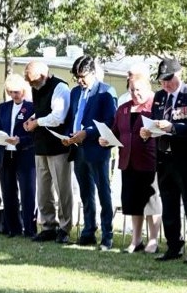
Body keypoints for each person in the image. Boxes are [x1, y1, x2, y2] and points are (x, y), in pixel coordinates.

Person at [142, 57, 187, 264]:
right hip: (165, 158)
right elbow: (154, 120)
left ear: (179, 74)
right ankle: (173, 245)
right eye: (162, 80)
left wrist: (174, 128)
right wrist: (148, 132)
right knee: (169, 204)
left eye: (169, 79)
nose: (165, 84)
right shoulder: (160, 96)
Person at [64, 56, 118, 249]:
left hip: (97, 148)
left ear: (93, 73)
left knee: (103, 192)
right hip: (78, 149)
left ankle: (107, 234)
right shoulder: (75, 92)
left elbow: (110, 121)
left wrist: (87, 133)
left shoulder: (106, 92)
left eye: (82, 76)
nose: (79, 80)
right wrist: (67, 136)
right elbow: (72, 118)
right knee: (86, 193)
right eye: (76, 77)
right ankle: (88, 231)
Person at [106, 73, 161, 253]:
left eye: (138, 90)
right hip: (127, 161)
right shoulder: (123, 108)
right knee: (133, 203)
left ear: (148, 88)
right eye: (132, 90)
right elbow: (116, 132)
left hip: (149, 161)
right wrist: (106, 140)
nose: (135, 93)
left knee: (151, 203)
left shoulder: (155, 107)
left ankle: (153, 240)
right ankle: (136, 240)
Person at [23, 60, 74, 244]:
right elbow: (41, 111)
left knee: (62, 189)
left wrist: (37, 122)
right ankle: (47, 226)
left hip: (58, 146)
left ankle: (64, 228)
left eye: (33, 81)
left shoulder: (60, 88)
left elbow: (58, 117)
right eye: (29, 81)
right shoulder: (36, 87)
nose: (31, 85)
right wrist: (31, 119)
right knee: (43, 191)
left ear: (43, 75)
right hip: (40, 145)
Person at [0, 74, 37, 238]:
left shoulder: (32, 107)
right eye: (11, 92)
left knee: (27, 192)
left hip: (24, 154)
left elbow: (35, 135)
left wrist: (20, 140)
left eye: (17, 91)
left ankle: (29, 228)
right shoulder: (3, 107)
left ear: (24, 90)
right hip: (4, 153)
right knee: (8, 192)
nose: (14, 95)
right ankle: (12, 228)